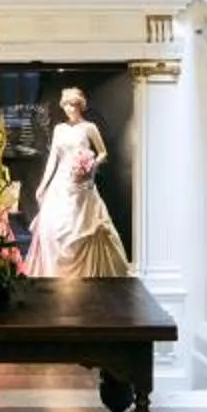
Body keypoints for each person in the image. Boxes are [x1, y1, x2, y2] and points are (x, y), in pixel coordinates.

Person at [23, 88, 131, 279]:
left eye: (73, 105)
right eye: (66, 105)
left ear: (80, 106)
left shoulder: (89, 127)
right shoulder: (59, 129)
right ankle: (53, 272)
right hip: (60, 185)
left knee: (85, 227)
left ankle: (89, 274)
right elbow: (53, 159)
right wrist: (43, 185)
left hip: (82, 185)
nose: (69, 109)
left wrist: (91, 165)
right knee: (52, 227)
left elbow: (103, 152)